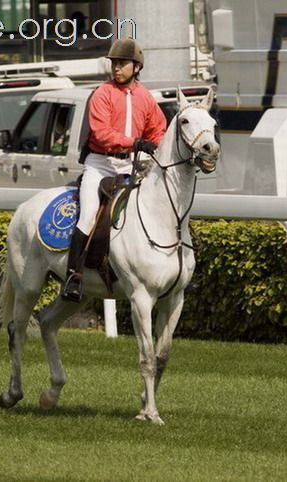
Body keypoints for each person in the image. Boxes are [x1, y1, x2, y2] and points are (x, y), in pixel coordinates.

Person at [61, 38, 167, 302]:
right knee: (87, 216)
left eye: (122, 64)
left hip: (130, 164)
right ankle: (73, 277)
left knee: (156, 209)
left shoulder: (146, 98)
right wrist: (135, 142)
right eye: (114, 64)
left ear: (137, 67)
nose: (116, 68)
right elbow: (102, 133)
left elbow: (158, 129)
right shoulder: (102, 93)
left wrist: (154, 146)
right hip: (99, 164)